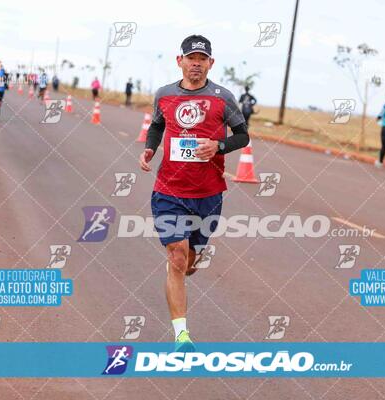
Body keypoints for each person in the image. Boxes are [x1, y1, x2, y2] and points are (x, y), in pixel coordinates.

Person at [139, 35, 249, 351]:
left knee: (186, 261)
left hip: (208, 193)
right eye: (191, 58)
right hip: (169, 189)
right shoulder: (164, 95)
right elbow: (157, 126)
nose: (196, 63)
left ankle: (190, 257)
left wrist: (219, 145)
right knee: (176, 257)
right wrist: (149, 149)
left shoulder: (223, 98)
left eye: (202, 58)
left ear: (210, 63)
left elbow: (243, 136)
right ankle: (181, 336)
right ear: (180, 61)